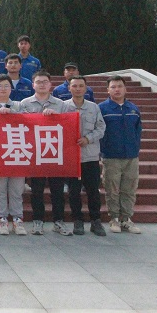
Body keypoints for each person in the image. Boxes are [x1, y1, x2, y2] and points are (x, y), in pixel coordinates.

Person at [20, 70, 69, 236]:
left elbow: (69, 124)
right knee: (37, 190)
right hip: (35, 153)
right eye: (38, 82)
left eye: (45, 82)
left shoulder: (61, 105)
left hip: (55, 152)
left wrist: (57, 117)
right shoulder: (25, 104)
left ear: (50, 85)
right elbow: (20, 126)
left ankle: (58, 221)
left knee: (57, 190)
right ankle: (37, 221)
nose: (41, 85)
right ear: (33, 85)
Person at [63, 75, 107, 236]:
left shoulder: (94, 107)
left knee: (93, 190)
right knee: (73, 191)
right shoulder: (63, 107)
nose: (78, 89)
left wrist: (88, 139)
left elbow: (101, 128)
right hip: (72, 157)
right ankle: (78, 220)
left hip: (90, 156)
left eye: (81, 86)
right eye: (74, 86)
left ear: (86, 88)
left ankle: (95, 220)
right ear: (69, 88)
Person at [0, 74, 26, 236]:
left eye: (6, 86)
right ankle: (2, 219)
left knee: (17, 190)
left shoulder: (19, 105)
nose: (3, 89)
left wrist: (12, 113)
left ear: (11, 89)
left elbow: (28, 122)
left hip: (17, 152)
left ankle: (17, 219)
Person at [99, 75, 143, 234]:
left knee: (129, 188)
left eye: (119, 86)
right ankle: (114, 218)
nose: (116, 89)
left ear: (125, 89)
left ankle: (127, 218)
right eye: (113, 87)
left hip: (131, 156)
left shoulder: (133, 109)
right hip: (111, 156)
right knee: (112, 188)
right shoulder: (102, 109)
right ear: (108, 90)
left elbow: (138, 131)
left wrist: (135, 148)